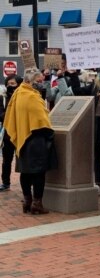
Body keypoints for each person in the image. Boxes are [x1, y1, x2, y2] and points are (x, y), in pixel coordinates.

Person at [3, 69, 57, 214]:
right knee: (38, 173)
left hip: (21, 137)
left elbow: (10, 115)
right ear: (30, 81)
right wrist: (50, 135)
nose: (41, 84)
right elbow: (42, 120)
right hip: (36, 139)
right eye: (38, 81)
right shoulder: (31, 96)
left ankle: (27, 201)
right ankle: (37, 203)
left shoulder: (18, 93)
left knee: (25, 172)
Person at [0, 74, 23, 191]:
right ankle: (5, 182)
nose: (10, 86)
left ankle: (26, 186)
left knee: (23, 160)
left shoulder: (23, 97)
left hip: (21, 133)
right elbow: (1, 115)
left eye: (13, 84)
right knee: (6, 160)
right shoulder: (2, 98)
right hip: (8, 134)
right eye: (8, 84)